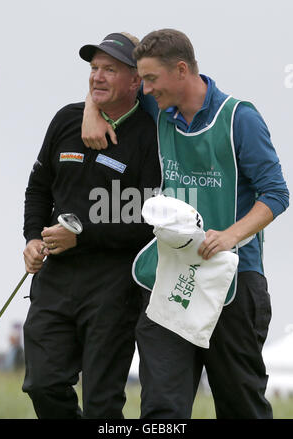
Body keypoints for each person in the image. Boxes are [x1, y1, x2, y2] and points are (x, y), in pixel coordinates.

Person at [81, 29, 289, 419]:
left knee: (240, 406)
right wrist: (91, 109)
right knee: (161, 409)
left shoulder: (239, 118)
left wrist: (230, 236)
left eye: (151, 79)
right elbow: (108, 77)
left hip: (235, 281)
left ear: (181, 70)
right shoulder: (157, 106)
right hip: (169, 278)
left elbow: (276, 194)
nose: (144, 87)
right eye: (141, 79)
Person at [22, 32, 161, 419]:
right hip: (55, 278)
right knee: (42, 384)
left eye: (110, 70)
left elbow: (150, 221)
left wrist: (82, 234)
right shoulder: (67, 119)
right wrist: (33, 237)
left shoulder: (149, 136)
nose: (97, 77)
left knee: (101, 405)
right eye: (94, 68)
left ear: (136, 80)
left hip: (113, 287)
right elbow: (38, 187)